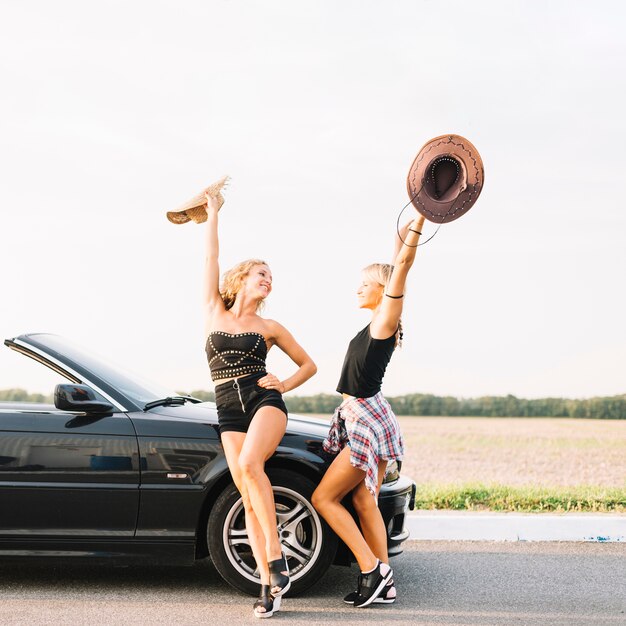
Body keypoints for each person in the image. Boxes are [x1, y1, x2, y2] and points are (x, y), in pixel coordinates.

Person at [202, 181, 317, 618]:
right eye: (260, 273)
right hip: (227, 411)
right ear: (241, 278)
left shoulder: (271, 328)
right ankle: (270, 589)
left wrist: (283, 385)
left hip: (262, 402)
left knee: (251, 468)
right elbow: (210, 257)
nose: (267, 279)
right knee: (247, 495)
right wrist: (213, 212)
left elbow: (309, 365)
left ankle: (275, 559)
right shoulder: (214, 309)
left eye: (271, 276)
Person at [311, 213, 425, 608]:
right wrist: (402, 232)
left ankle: (370, 570)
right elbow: (397, 263)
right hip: (368, 416)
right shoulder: (376, 322)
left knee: (325, 498)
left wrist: (422, 221)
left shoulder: (383, 323)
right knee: (362, 501)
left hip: (367, 419)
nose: (358, 289)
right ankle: (385, 583)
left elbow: (403, 268)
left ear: (383, 290)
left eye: (365, 283)